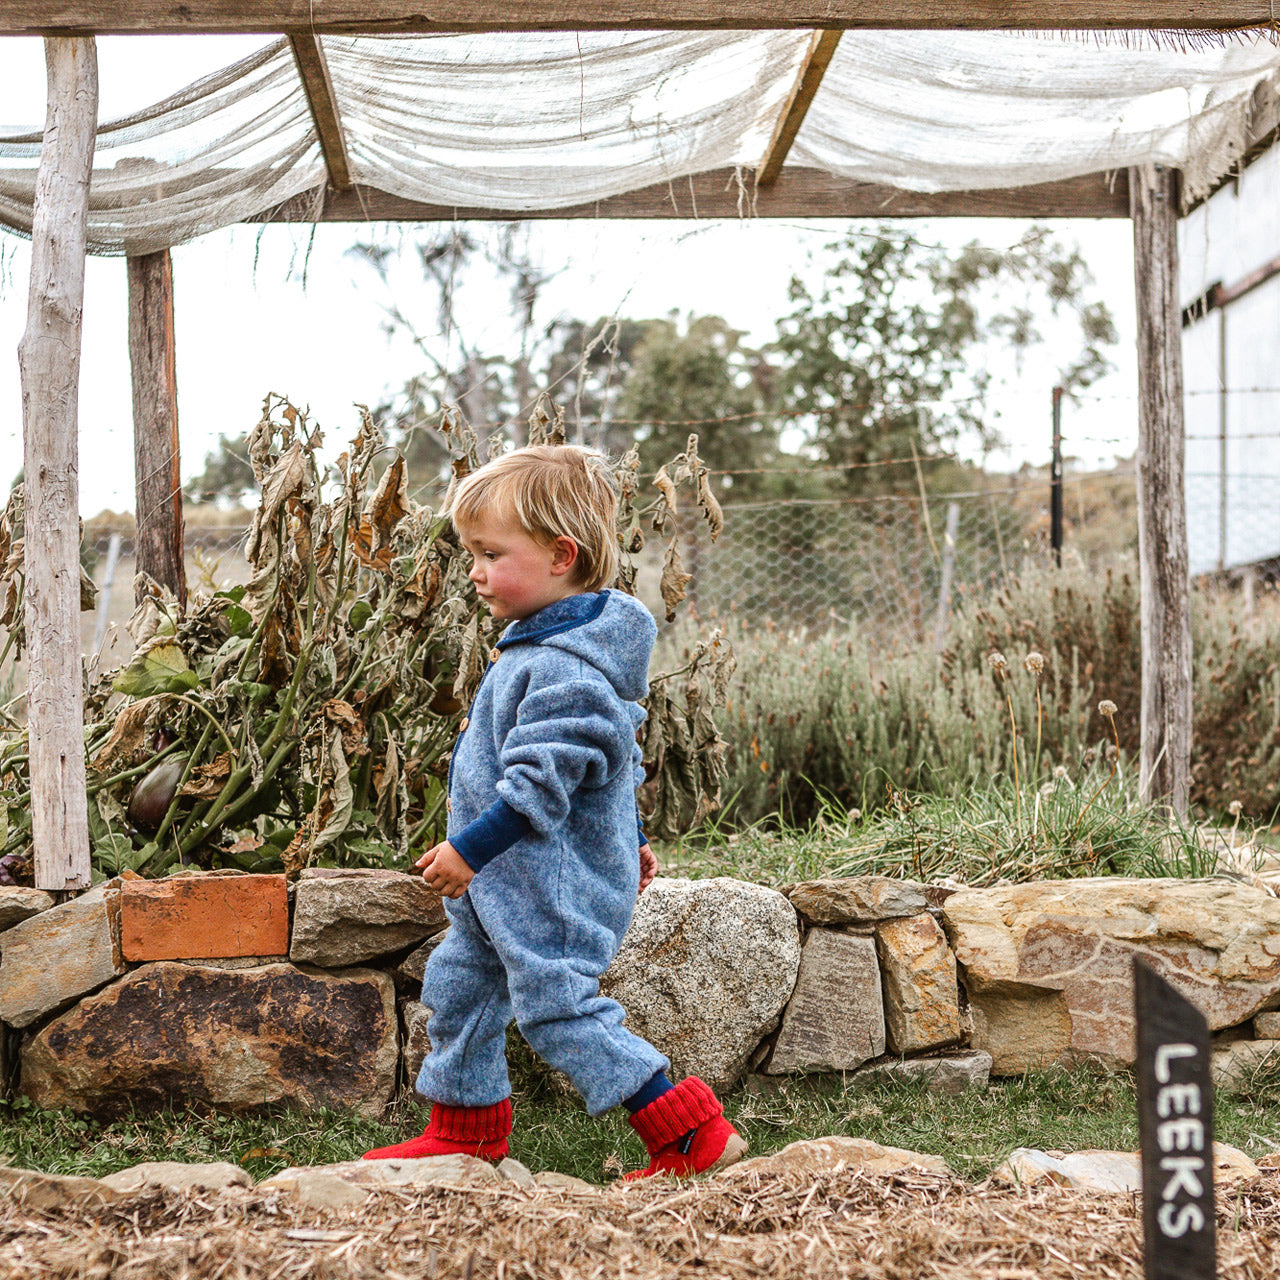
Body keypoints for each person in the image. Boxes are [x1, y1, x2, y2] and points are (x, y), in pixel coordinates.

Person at [363, 444, 746, 1179]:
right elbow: (616, 766)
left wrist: (469, 850)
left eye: (489, 552)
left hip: (548, 887)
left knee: (556, 1008)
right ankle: (464, 1130)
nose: (473, 569)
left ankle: (691, 1131)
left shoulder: (567, 669)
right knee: (462, 989)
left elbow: (543, 783)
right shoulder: (539, 652)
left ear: (560, 555)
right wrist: (630, 837)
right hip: (509, 885)